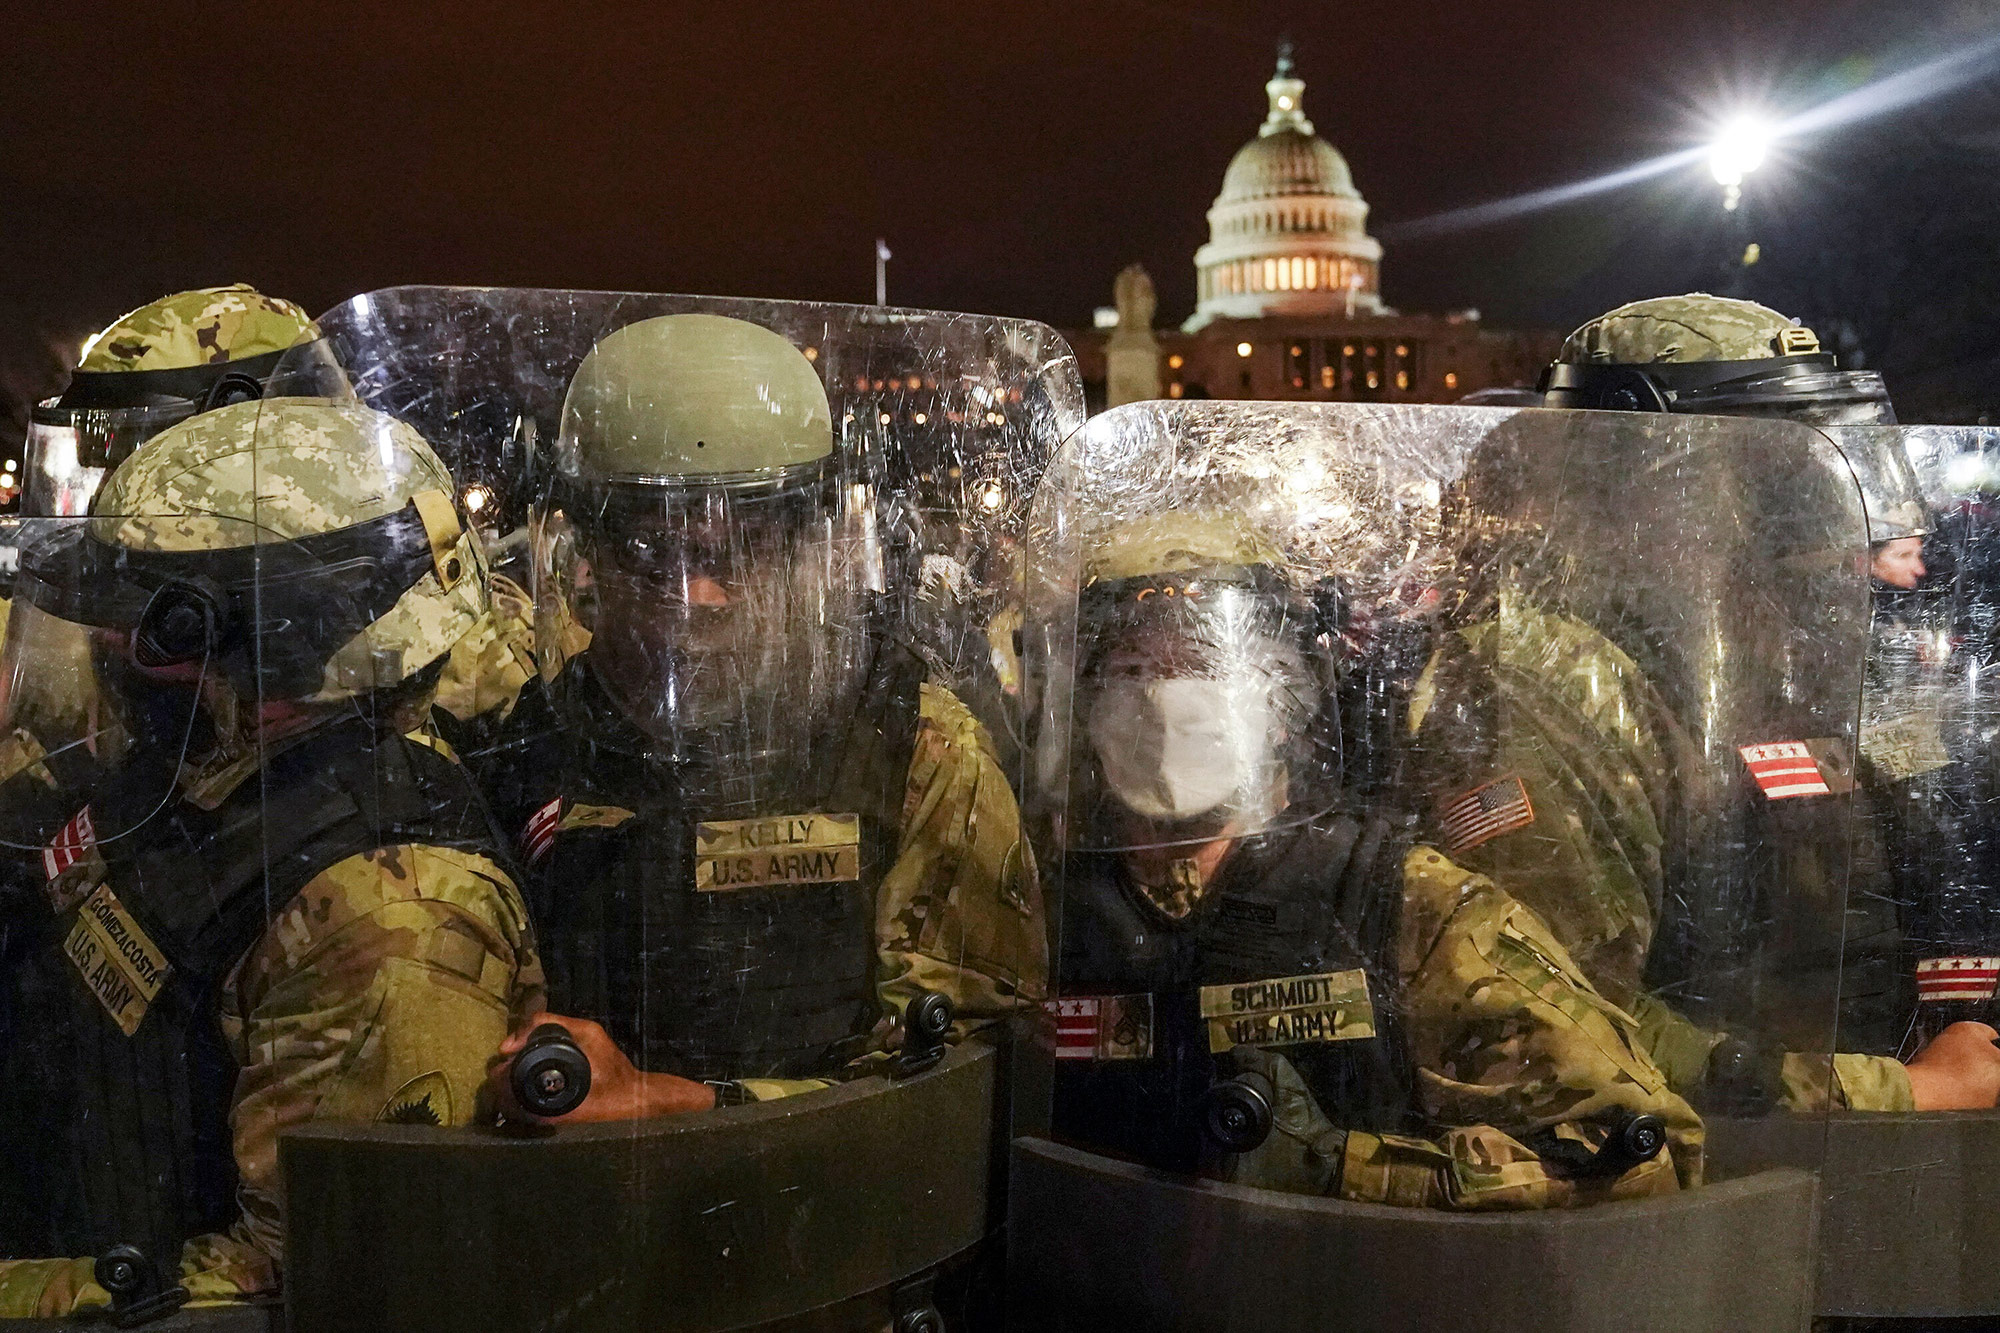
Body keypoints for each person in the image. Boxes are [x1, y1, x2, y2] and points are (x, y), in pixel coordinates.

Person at [0, 398, 542, 1318]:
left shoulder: (383, 916)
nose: (108, 642)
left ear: (289, 638)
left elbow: (299, 1282)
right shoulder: (202, 771)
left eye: (152, 622)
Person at [481, 312, 1044, 1119]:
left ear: (811, 548)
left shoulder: (916, 758)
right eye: (654, 551)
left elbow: (964, 1090)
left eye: (742, 548)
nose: (696, 594)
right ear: (589, 550)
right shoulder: (529, 746)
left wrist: (683, 1106)